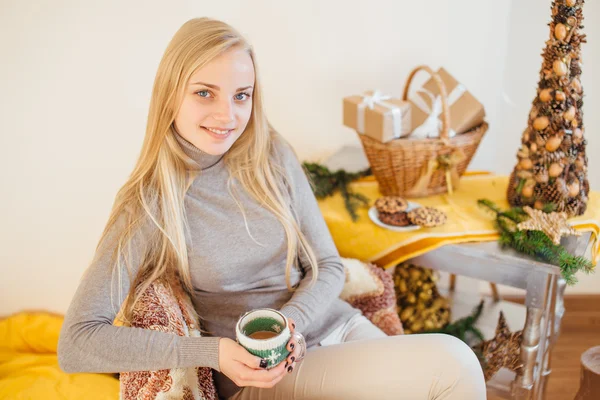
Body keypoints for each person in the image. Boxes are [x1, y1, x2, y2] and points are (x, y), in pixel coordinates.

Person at [57, 17, 487, 400]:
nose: (226, 115)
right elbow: (76, 342)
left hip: (335, 328)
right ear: (170, 95)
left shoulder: (271, 154)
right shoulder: (149, 200)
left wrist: (292, 324)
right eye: (205, 93)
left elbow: (328, 265)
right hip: (262, 375)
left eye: (241, 95)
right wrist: (213, 353)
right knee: (455, 363)